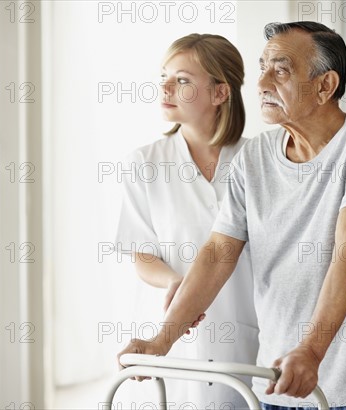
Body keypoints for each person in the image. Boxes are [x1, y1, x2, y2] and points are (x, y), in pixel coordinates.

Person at [118, 21, 346, 409]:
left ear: (325, 86)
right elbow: (218, 251)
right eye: (262, 67)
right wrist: (160, 342)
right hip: (277, 379)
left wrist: (311, 353)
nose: (262, 81)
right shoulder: (256, 154)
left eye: (280, 70)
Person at [115, 33, 259, 409]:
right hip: (171, 339)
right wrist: (178, 284)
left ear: (219, 93)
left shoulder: (257, 160)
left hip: (243, 337)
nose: (165, 87)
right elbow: (142, 255)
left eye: (182, 80)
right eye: (164, 75)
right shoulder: (145, 163)